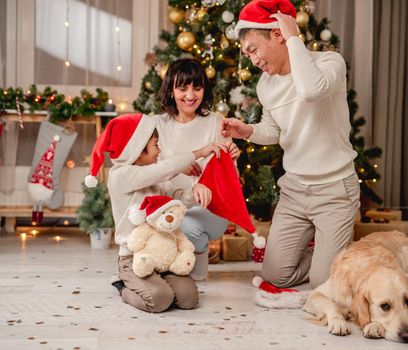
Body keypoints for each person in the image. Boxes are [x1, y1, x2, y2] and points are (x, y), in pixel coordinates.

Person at [221, 0, 360, 289]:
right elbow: (273, 131)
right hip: (295, 191)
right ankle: (327, 253)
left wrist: (293, 35)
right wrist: (246, 130)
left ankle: (333, 258)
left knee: (323, 284)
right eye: (247, 54)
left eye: (253, 49)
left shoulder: (328, 63)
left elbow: (311, 90)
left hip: (334, 190)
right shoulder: (265, 85)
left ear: (277, 35)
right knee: (276, 276)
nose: (252, 60)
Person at [85, 113, 225, 313]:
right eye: (156, 145)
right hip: (135, 258)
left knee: (188, 299)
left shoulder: (156, 175)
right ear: (137, 147)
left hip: (164, 254)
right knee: (159, 300)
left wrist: (193, 192)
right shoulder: (120, 175)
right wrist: (199, 152)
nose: (159, 150)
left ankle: (158, 281)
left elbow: (176, 199)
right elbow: (162, 169)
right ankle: (122, 286)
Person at [156, 58, 240, 281]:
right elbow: (151, 174)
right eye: (182, 88)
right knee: (177, 222)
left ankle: (197, 249)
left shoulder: (216, 123)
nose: (190, 95)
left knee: (187, 225)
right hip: (169, 204)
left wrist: (232, 161)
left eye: (197, 87)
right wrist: (179, 166)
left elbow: (231, 183)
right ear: (171, 91)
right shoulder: (158, 126)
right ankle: (194, 255)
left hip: (210, 209)